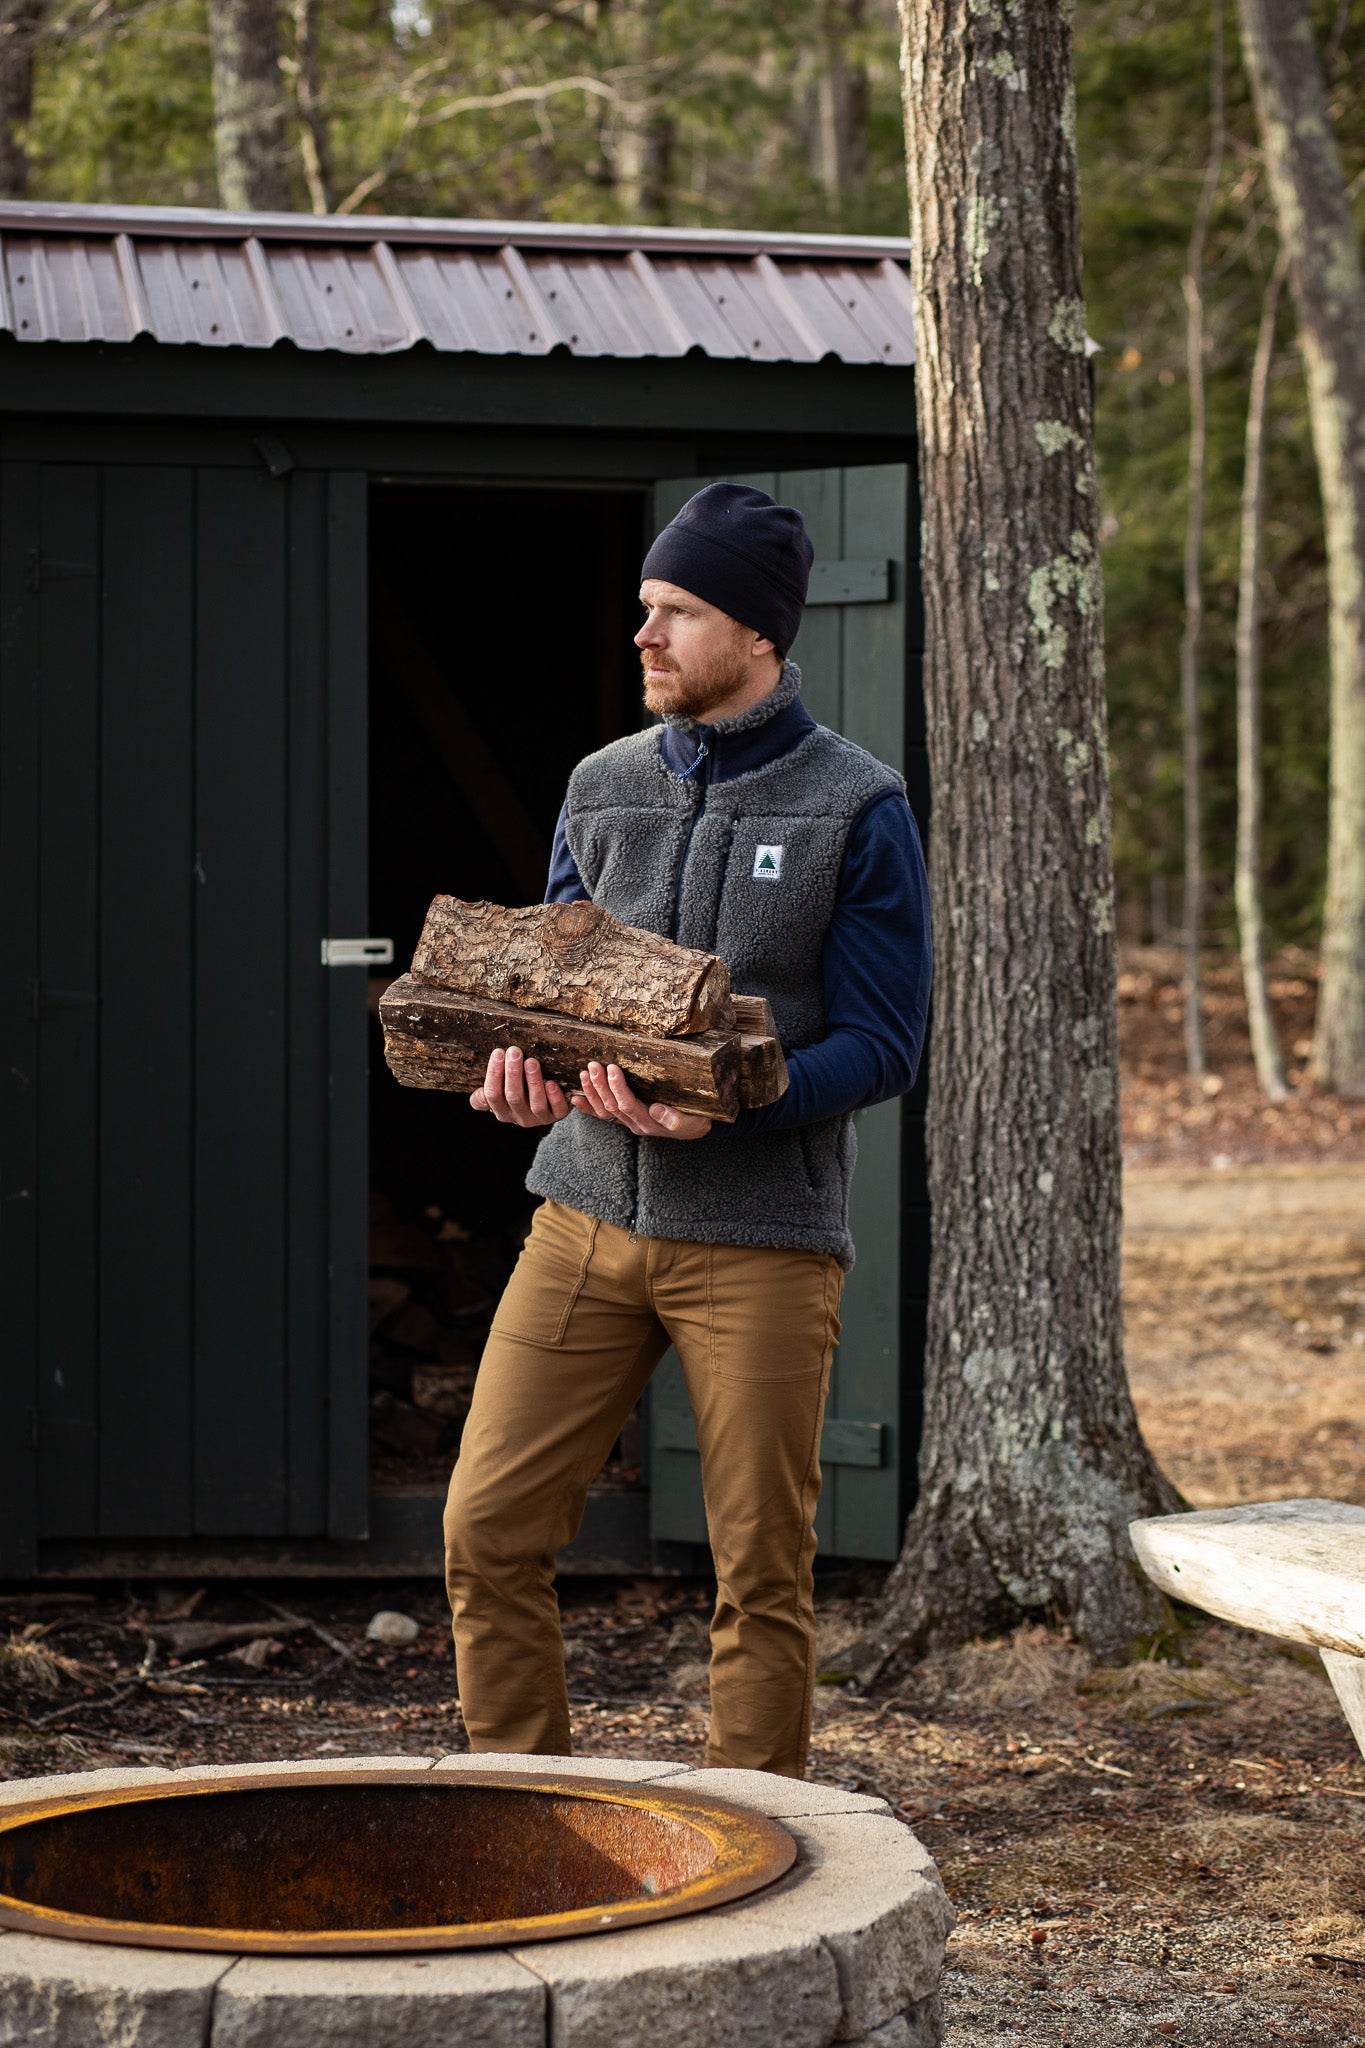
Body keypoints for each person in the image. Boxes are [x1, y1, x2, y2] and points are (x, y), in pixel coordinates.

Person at [443, 481, 932, 1780]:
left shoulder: (857, 809)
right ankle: (520, 1813)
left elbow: (883, 1045)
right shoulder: (599, 788)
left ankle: (751, 1865)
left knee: (757, 1575)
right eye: (644, 609)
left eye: (677, 612)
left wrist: (729, 1099)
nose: (644, 637)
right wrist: (527, 1077)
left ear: (759, 635)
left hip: (759, 1244)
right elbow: (553, 998)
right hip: (582, 1216)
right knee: (487, 1532)